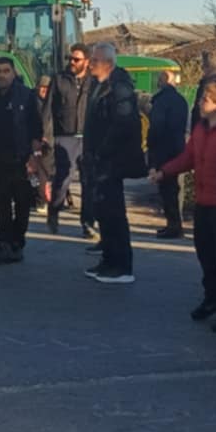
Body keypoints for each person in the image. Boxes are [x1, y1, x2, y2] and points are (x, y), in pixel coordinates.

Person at [153, 75, 216, 332]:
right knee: (205, 254)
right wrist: (164, 172)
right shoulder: (201, 130)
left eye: (206, 99)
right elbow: (188, 158)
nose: (200, 103)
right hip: (204, 202)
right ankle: (214, 296)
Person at [81, 42, 143, 285]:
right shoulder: (100, 85)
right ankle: (108, 260)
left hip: (112, 160)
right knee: (103, 212)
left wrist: (103, 150)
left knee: (114, 213)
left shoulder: (119, 87)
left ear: (107, 62)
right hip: (99, 160)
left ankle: (121, 265)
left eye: (94, 61)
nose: (90, 64)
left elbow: (124, 124)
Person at [0, 57, 44, 263]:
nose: (1, 75)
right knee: (2, 202)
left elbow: (37, 128)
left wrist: (34, 157)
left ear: (14, 73)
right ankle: (5, 242)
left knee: (22, 202)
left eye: (6, 71)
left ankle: (18, 241)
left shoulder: (26, 96)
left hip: (21, 158)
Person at [43, 43, 95, 236]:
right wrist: (45, 136)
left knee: (89, 182)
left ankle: (88, 223)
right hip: (65, 138)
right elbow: (47, 109)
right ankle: (54, 211)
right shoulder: (59, 80)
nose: (72, 62)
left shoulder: (94, 82)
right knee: (63, 179)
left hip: (89, 139)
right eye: (70, 59)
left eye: (76, 59)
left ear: (87, 62)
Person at [145, 67, 190, 238]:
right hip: (178, 148)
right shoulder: (181, 100)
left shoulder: (160, 101)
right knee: (176, 188)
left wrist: (151, 149)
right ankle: (174, 223)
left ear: (161, 82)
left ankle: (173, 225)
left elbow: (156, 127)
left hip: (163, 148)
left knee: (166, 188)